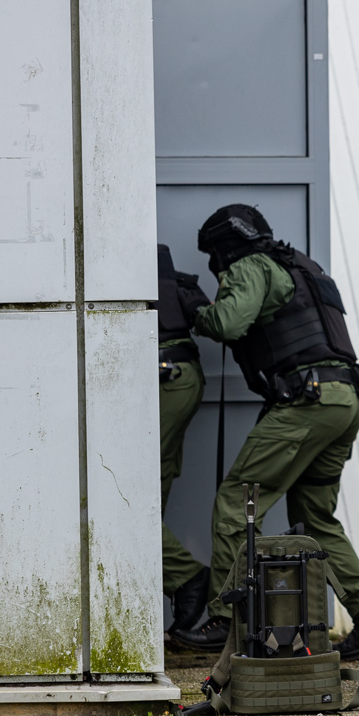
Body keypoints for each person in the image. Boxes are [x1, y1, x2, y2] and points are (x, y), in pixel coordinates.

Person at [168, 205, 359, 660]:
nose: (216, 265)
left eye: (215, 255)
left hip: (307, 402)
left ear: (226, 247)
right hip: (345, 399)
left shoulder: (251, 266)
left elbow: (229, 322)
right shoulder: (304, 267)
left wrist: (196, 309)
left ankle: (226, 618)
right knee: (315, 517)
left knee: (237, 502)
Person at [155, 243, 211, 633]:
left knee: (127, 501)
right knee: (146, 491)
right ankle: (183, 577)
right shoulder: (172, 281)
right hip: (177, 376)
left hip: (165, 375)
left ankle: (186, 576)